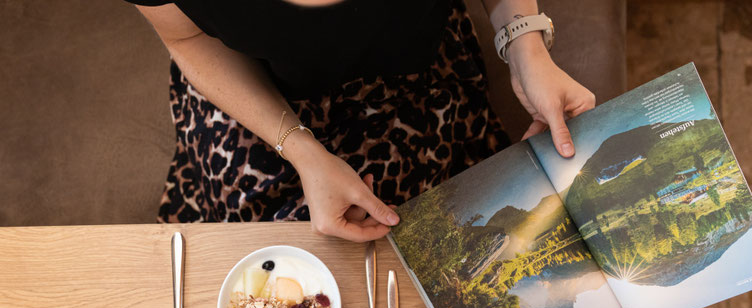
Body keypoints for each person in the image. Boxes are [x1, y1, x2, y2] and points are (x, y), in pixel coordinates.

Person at [128, 0, 595, 241]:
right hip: (256, 91)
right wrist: (301, 149)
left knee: (454, 223)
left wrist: (524, 45)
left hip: (414, 68)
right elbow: (187, 38)